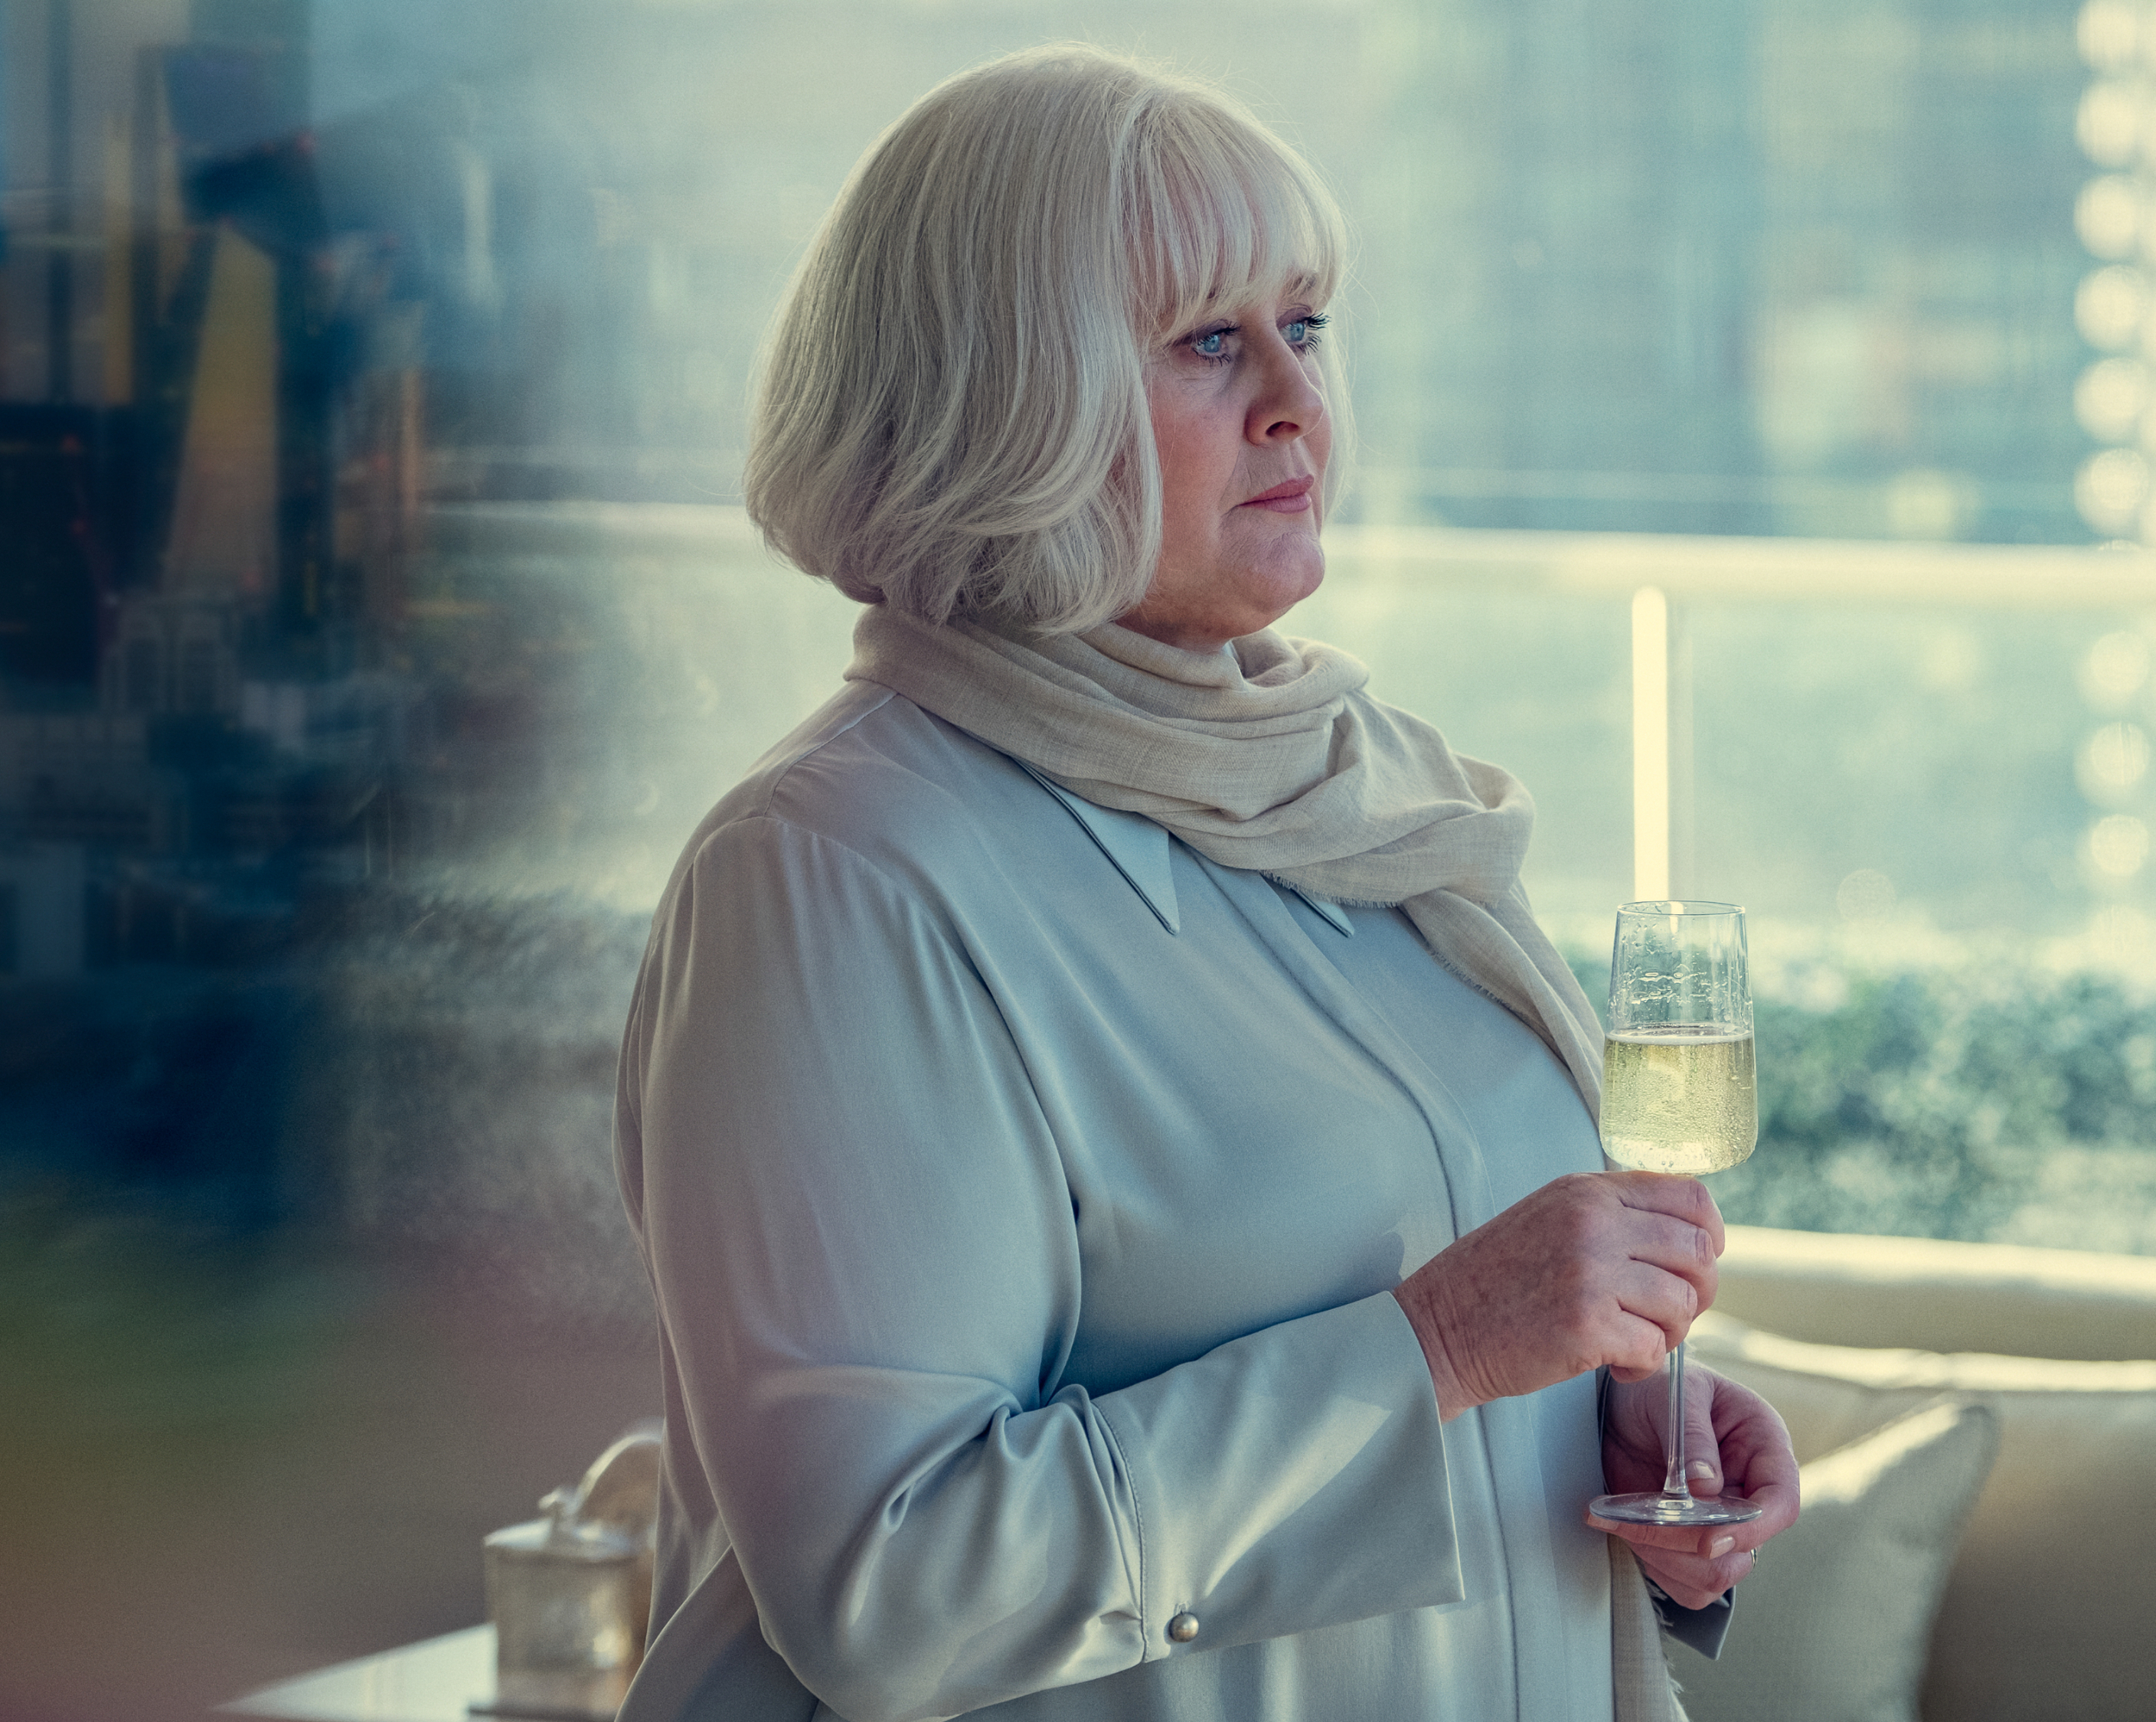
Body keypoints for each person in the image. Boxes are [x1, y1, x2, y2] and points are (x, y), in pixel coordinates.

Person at [612, 44, 1799, 1722]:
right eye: (1206, 341)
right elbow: (893, 1595)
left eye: (1306, 324)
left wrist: (1581, 1433)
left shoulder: (1366, 798)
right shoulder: (834, 878)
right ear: (1003, 402)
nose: (1297, 400)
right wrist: (1444, 1350)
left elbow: (1384, 1337)